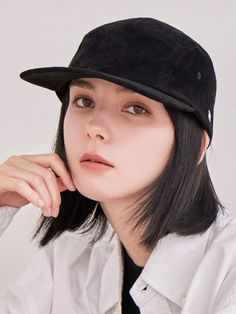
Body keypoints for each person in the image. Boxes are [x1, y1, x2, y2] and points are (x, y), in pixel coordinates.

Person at [0, 16, 236, 314]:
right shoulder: (67, 265)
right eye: (84, 101)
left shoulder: (228, 271)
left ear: (196, 147)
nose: (95, 127)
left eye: (136, 108)